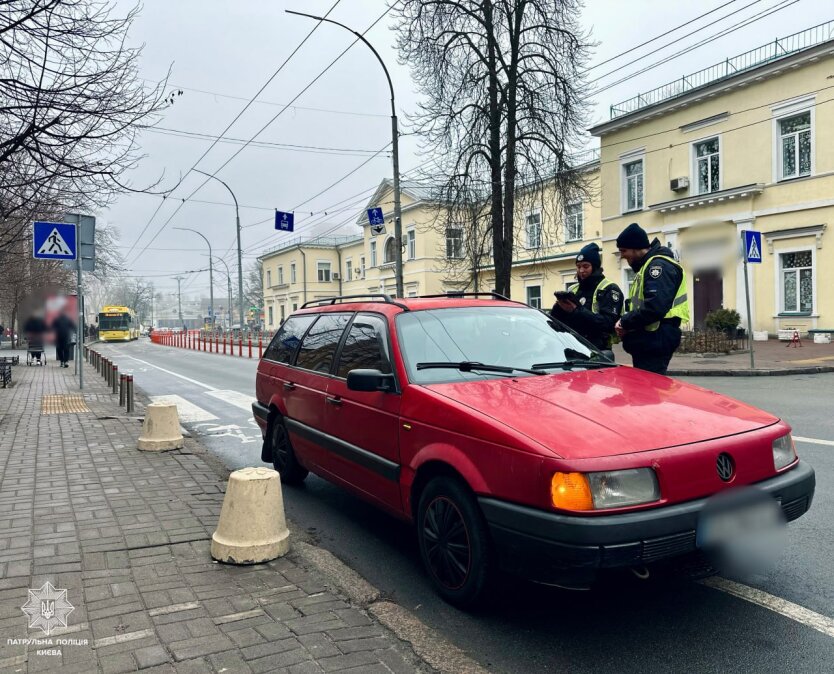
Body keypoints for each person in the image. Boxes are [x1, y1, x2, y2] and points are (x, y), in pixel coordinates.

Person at [614, 223, 690, 375]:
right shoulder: (647, 266)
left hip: (656, 338)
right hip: (651, 339)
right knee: (648, 391)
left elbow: (654, 307)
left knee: (650, 392)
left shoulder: (658, 266)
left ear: (635, 247)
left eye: (624, 250)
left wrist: (625, 322)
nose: (622, 255)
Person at [550, 243, 624, 351]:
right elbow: (558, 322)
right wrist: (558, 308)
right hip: (573, 347)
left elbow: (608, 323)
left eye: (586, 266)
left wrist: (576, 310)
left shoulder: (609, 289)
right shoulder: (573, 289)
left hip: (598, 350)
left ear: (595, 267)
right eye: (578, 266)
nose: (581, 271)